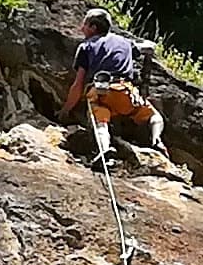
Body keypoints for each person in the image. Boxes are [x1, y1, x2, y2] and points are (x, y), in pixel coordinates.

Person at [66, 10, 162, 165]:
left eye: (84, 25)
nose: (81, 29)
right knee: (155, 117)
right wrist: (145, 81)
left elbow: (78, 84)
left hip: (100, 91)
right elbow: (150, 47)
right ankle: (156, 139)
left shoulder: (86, 46)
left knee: (100, 122)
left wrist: (66, 110)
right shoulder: (124, 43)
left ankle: (104, 149)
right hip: (124, 90)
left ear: (93, 27)